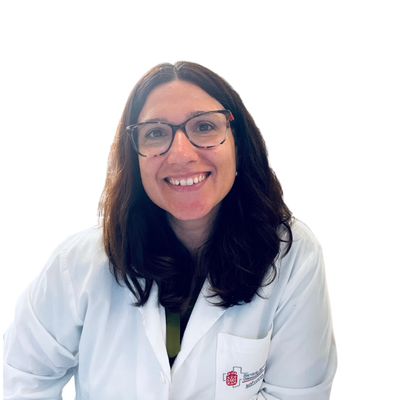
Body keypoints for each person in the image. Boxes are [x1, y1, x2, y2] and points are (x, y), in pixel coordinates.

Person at [2, 58, 340, 399]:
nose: (180, 154)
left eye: (204, 127)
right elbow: (23, 378)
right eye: (155, 133)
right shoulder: (77, 261)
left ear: (238, 142)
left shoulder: (294, 255)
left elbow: (298, 396)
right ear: (134, 157)